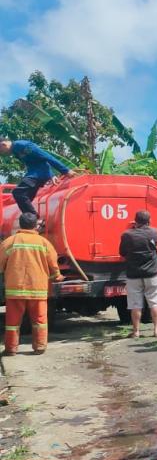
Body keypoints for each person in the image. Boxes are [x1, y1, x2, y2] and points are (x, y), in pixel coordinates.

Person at [0, 212, 62, 355]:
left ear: (20, 225)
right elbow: (53, 265)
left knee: (12, 323)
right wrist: (57, 276)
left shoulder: (10, 242)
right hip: (38, 289)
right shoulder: (44, 243)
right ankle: (40, 347)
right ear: (35, 225)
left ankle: (11, 349)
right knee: (40, 320)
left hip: (15, 289)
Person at [0, 137, 75, 217]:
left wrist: (65, 170)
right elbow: (38, 161)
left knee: (18, 192)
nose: (2, 154)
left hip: (37, 174)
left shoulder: (22, 145)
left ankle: (34, 219)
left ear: (3, 144)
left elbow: (45, 156)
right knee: (26, 198)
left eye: (0, 151)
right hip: (35, 173)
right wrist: (51, 175)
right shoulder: (15, 151)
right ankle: (31, 220)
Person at [118, 210, 157, 338]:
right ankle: (156, 330)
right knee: (155, 302)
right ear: (149, 220)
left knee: (135, 304)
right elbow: (156, 243)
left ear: (135, 220)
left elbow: (122, 252)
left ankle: (136, 331)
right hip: (152, 273)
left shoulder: (127, 235)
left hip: (133, 274)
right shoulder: (155, 232)